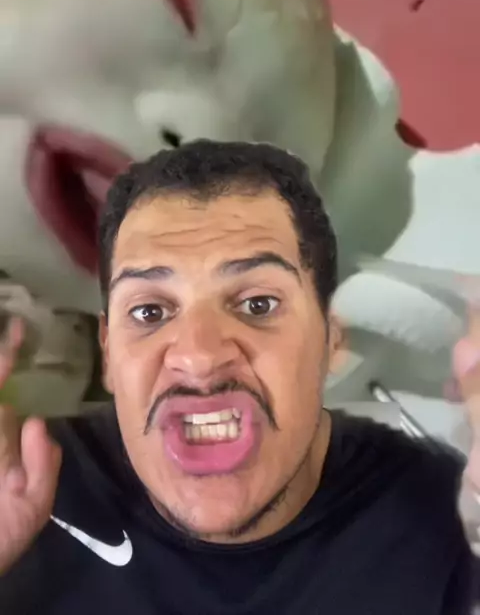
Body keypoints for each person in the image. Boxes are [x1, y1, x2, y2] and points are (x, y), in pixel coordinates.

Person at [0, 139, 478, 614]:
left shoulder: (441, 518)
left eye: (258, 305)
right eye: (149, 312)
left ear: (330, 340)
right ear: (108, 349)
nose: (199, 358)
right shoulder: (21, 491)